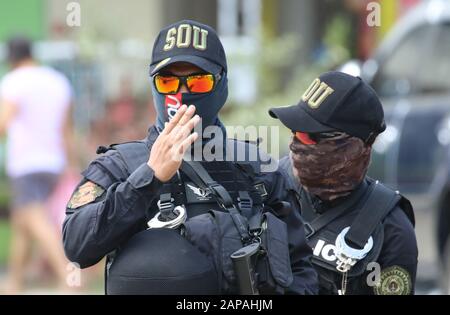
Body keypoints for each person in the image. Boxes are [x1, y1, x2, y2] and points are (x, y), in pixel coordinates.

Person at [62, 20, 317, 295]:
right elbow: (77, 246)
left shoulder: (257, 168)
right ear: (153, 85)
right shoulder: (120, 165)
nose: (181, 93)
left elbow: (300, 269)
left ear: (222, 85)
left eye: (197, 81)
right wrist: (149, 178)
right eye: (167, 81)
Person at [269, 71, 418, 295]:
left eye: (309, 137)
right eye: (294, 131)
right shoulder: (270, 185)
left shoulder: (391, 231)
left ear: (353, 147)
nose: (295, 144)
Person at [0, 37, 75, 294]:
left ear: (11, 59)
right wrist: (70, 163)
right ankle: (14, 282)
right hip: (54, 161)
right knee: (22, 223)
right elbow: (67, 129)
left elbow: (3, 123)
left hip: (27, 161)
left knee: (34, 218)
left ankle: (68, 275)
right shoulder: (57, 82)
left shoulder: (13, 82)